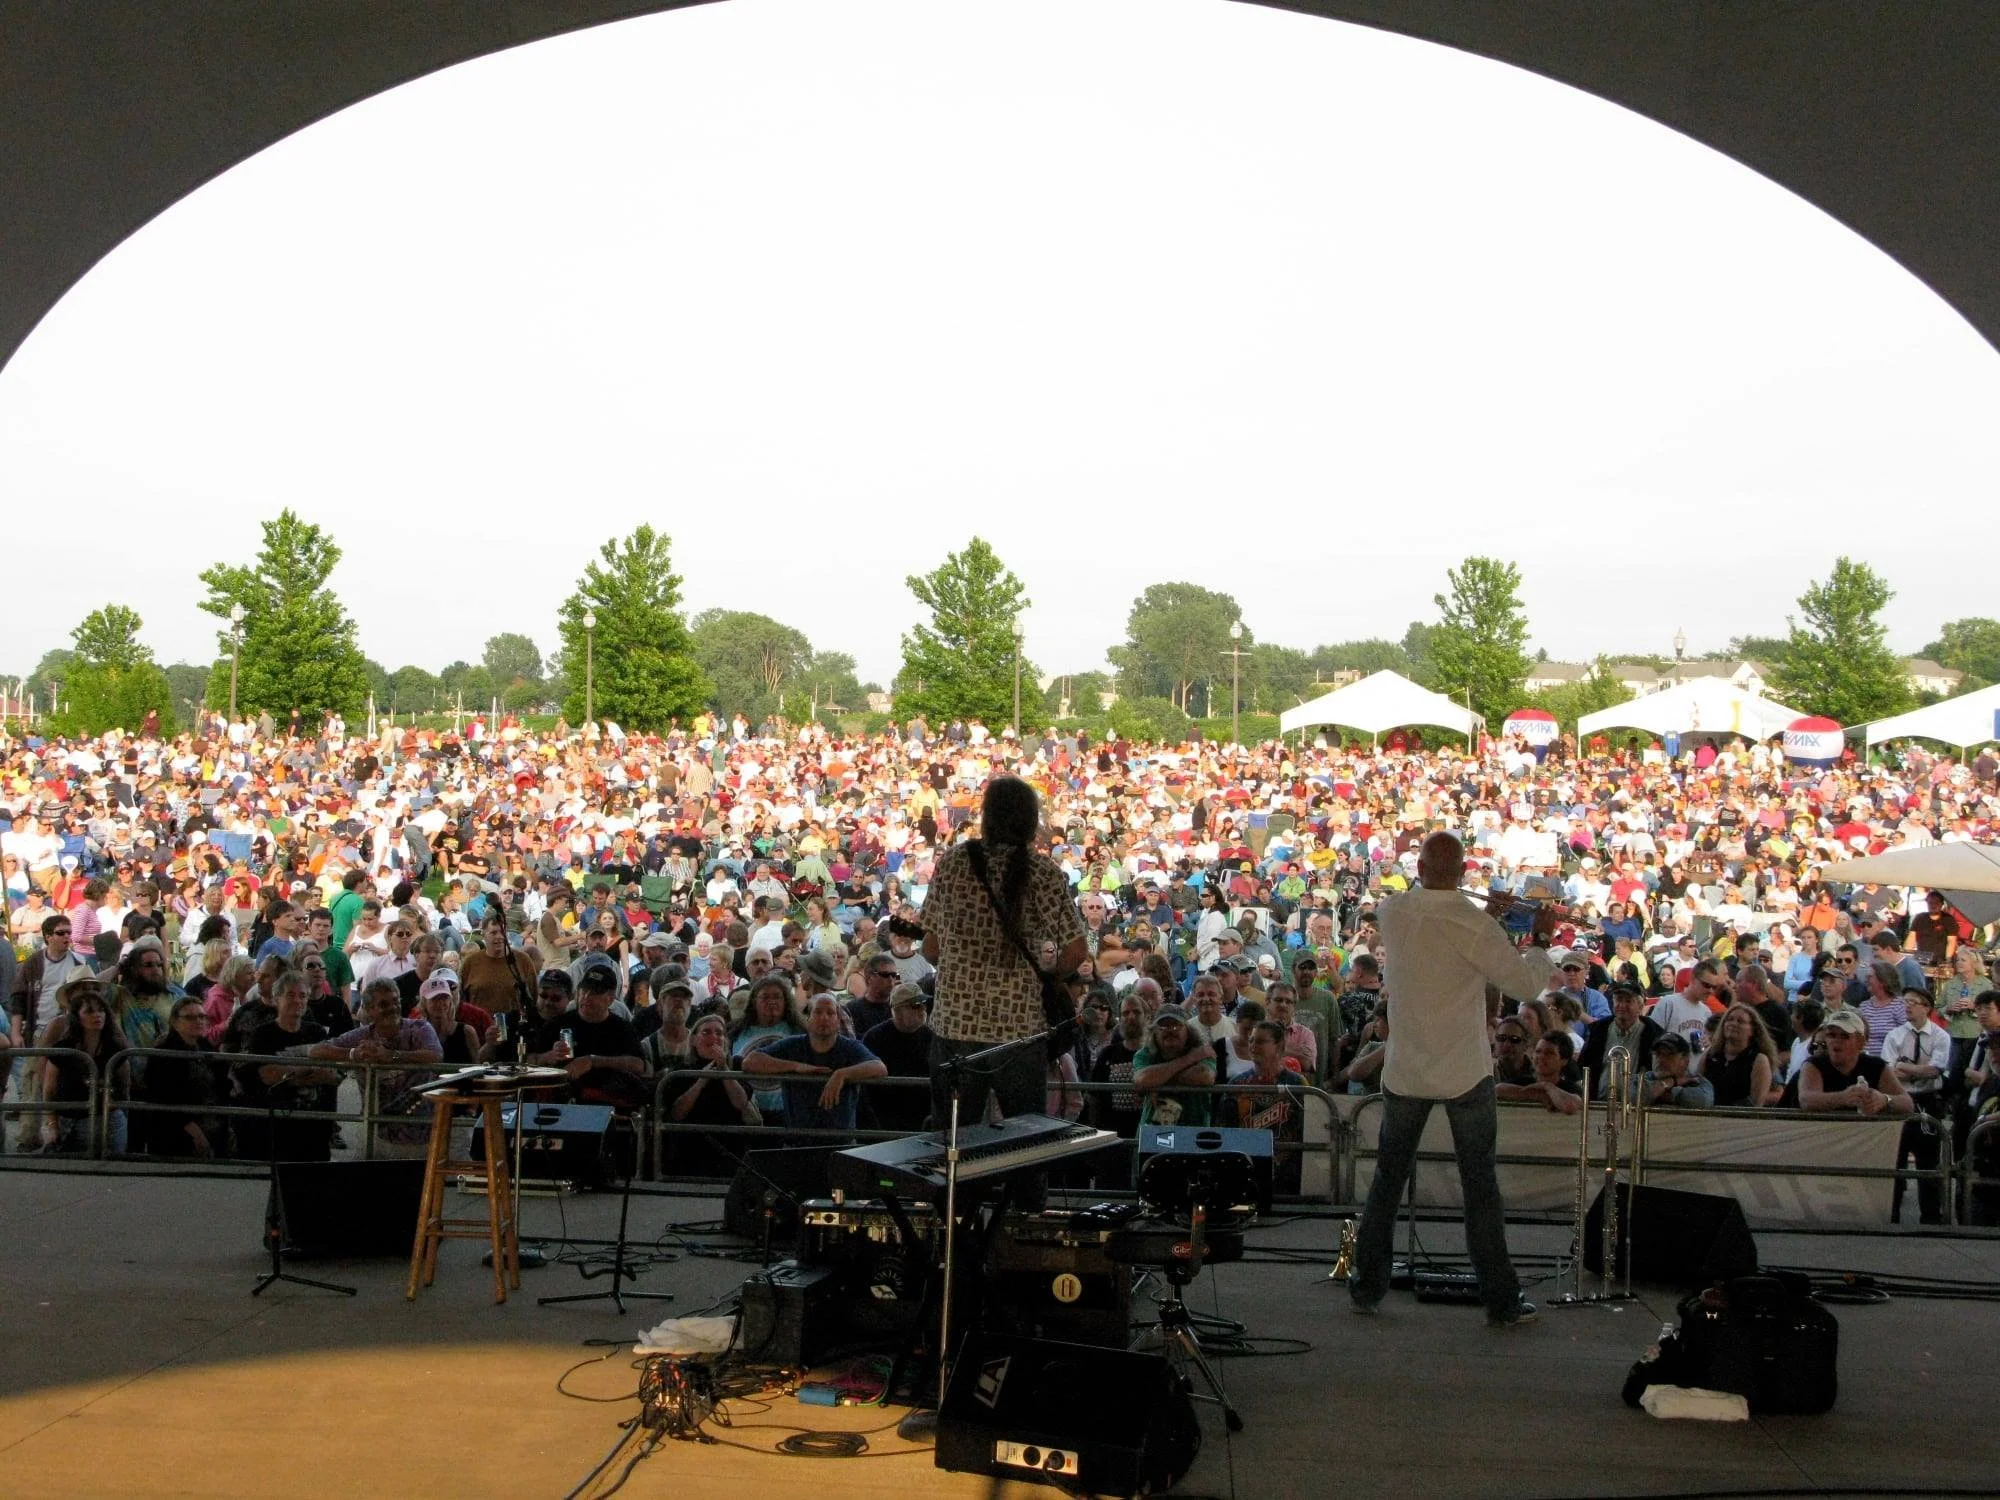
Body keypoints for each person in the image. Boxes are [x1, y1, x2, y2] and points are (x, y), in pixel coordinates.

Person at [1350, 832, 1556, 1328]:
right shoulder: (1472, 923)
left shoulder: (1394, 911)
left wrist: (1492, 918)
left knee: (1387, 1181)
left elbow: (1441, 935)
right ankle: (1501, 1301)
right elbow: (1526, 984)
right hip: (1464, 1071)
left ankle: (1367, 1287)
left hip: (1405, 1069)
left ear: (1418, 867)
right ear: (1465, 871)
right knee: (1480, 1186)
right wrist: (1541, 940)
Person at [918, 776, 1087, 1126]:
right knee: (1025, 1144)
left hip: (954, 1024)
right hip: (1019, 1031)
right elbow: (1076, 951)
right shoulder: (1044, 872)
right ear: (1029, 819)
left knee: (952, 1143)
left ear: (987, 816)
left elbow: (931, 948)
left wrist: (962, 964)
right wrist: (1046, 978)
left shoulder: (952, 862)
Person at [741, 991, 885, 1132]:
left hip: (840, 1139)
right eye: (817, 1012)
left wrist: (841, 1075)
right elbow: (750, 1061)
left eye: (830, 1013)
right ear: (808, 1018)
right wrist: (795, 1067)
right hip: (797, 1138)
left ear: (838, 1020)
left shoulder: (850, 1047)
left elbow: (879, 1067)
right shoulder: (792, 1045)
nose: (824, 1018)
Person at [1882, 986, 1952, 1224]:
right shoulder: (1895, 1035)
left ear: (1927, 1007)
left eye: (1914, 1002)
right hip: (1901, 1099)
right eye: (1906, 1002)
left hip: (1927, 1101)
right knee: (1895, 1157)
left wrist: (1907, 1069)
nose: (1908, 1006)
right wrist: (1915, 1072)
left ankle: (1931, 1217)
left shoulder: (1940, 1036)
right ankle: (1890, 1214)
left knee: (1928, 1162)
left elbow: (1935, 1069)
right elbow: (1889, 1071)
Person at [660, 1013, 762, 1176]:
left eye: (719, 1033)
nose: (713, 1037)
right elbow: (677, 1113)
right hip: (689, 1151)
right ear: (693, 1040)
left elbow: (741, 1103)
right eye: (706, 1032)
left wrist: (723, 1070)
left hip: (730, 1151)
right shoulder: (680, 1071)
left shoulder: (736, 1066)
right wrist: (702, 1079)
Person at [140, 996, 225, 1157]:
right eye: (189, 1017)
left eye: (201, 1016)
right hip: (174, 1131)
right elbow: (162, 1097)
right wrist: (195, 1132)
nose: (198, 1021)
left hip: (211, 1123)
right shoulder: (163, 1053)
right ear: (175, 1021)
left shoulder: (207, 1047)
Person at [859, 982, 935, 1131]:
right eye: (916, 1005)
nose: (923, 1009)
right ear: (897, 1010)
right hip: (885, 1116)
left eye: (923, 1003)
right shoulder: (875, 1038)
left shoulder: (931, 1037)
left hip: (923, 1117)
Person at [1131, 1004, 1215, 1126]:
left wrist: (1158, 1080)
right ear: (1154, 1032)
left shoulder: (1202, 1051)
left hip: (1193, 1130)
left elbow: (1205, 1076)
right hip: (1153, 1133)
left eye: (1176, 1026)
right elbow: (1143, 1079)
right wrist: (1188, 1059)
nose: (1170, 1030)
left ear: (1188, 1030)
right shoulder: (1145, 1054)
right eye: (1163, 1027)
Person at [1701, 1003, 1779, 1108]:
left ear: (1752, 1030)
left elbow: (1755, 1102)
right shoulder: (1710, 1055)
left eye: (1740, 1021)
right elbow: (1699, 1086)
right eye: (1729, 1019)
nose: (1733, 1024)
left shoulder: (1758, 1060)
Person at [1640, 1032, 1713, 1108]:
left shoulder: (1696, 1081)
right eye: (1658, 1054)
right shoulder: (1646, 1077)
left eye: (1668, 1054)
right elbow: (1629, 1093)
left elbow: (1704, 1101)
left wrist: (1669, 1093)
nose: (1661, 1059)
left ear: (1686, 1060)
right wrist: (1668, 1083)